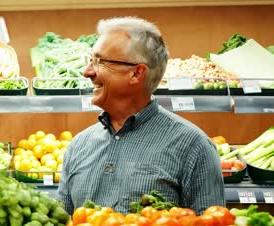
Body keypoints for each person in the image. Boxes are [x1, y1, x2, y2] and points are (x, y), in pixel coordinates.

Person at [56, 16, 225, 215]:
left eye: (99, 61)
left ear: (136, 73)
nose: (87, 72)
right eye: (90, 60)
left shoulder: (193, 147)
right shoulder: (79, 146)